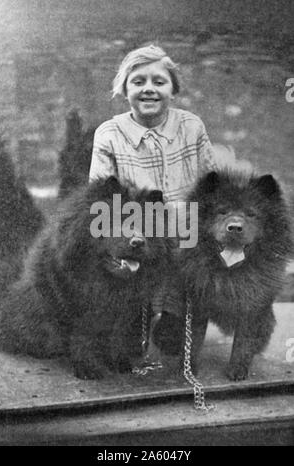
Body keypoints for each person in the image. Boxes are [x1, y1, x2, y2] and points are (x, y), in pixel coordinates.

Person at [89, 44, 218, 365]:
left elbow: (211, 187)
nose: (149, 88)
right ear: (124, 88)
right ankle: (136, 321)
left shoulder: (192, 127)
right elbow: (101, 197)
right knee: (127, 349)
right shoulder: (110, 134)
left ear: (173, 88)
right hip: (138, 234)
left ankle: (179, 320)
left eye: (159, 82)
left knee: (179, 343)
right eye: (138, 81)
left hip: (186, 234)